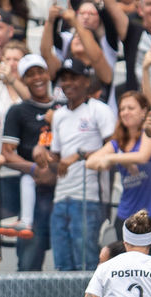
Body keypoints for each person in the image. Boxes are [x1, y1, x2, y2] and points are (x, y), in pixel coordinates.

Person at [47, 59, 116, 271]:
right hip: (60, 197)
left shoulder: (99, 110)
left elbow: (114, 147)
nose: (68, 83)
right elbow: (57, 161)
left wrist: (79, 155)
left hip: (90, 198)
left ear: (86, 81)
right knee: (62, 264)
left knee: (85, 263)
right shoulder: (58, 115)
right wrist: (43, 156)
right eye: (64, 79)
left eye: (73, 78)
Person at [1, 55, 58, 271]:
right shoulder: (18, 111)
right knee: (28, 261)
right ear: (23, 80)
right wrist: (34, 169)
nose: (37, 78)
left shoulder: (63, 106)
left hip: (63, 190)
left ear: (48, 73)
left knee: (70, 262)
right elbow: (7, 154)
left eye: (40, 72)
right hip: (33, 192)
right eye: (30, 74)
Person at [85, 90, 151, 236]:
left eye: (131, 108)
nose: (125, 112)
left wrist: (113, 159)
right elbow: (90, 162)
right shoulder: (117, 143)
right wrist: (124, 160)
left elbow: (143, 156)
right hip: (125, 214)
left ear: (144, 111)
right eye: (122, 109)